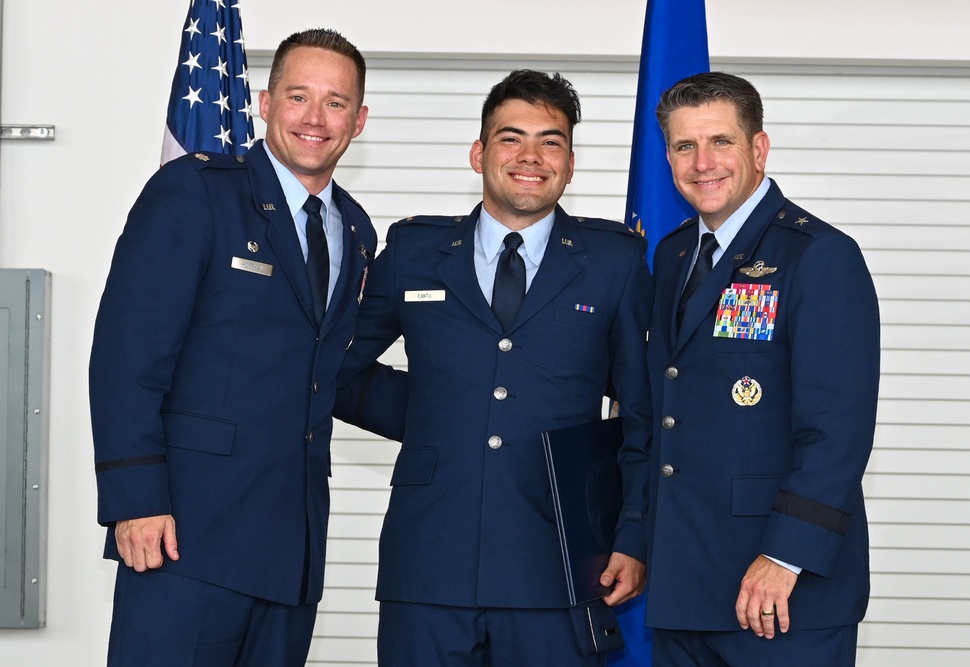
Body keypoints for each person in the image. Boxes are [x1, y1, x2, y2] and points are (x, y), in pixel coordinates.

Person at [335, 70, 653, 666]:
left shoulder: (616, 262)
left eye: (550, 140)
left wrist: (633, 536)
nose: (531, 156)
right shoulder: (413, 252)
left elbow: (642, 411)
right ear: (479, 152)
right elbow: (338, 370)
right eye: (511, 138)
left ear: (571, 162)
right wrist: (436, 414)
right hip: (428, 565)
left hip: (558, 568)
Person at [89, 28, 374, 666]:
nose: (314, 117)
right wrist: (135, 501)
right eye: (299, 96)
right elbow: (126, 356)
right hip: (186, 536)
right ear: (266, 104)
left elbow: (329, 373)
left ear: (359, 120)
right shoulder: (196, 193)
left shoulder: (355, 229)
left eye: (335, 103)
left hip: (291, 550)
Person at [644, 71, 880, 666]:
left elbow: (837, 431)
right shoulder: (673, 255)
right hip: (684, 582)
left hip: (782, 594)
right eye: (683, 146)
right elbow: (661, 413)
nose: (702, 163)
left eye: (721, 141)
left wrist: (786, 556)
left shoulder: (819, 255)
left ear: (758, 148)